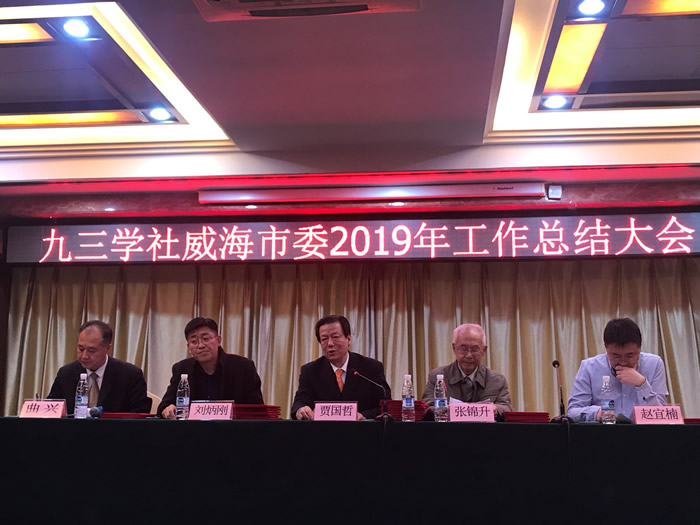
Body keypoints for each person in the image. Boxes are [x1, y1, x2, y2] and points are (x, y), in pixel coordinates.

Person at [158, 317, 263, 418]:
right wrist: (168, 408)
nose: (200, 345)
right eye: (194, 341)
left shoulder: (243, 367)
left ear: (218, 340)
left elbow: (257, 410)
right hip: (192, 429)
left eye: (205, 339)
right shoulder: (182, 369)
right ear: (189, 347)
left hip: (233, 428)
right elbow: (164, 405)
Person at [291, 314, 391, 420]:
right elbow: (299, 402)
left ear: (348, 339)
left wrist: (364, 415)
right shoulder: (310, 371)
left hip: (361, 429)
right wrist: (301, 409)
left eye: (335, 337)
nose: (330, 344)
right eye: (324, 339)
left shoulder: (371, 368)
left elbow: (386, 406)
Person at [568, 317, 668, 422]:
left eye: (630, 356)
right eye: (616, 356)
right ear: (606, 348)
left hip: (643, 431)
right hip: (604, 430)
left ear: (640, 348)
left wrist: (642, 384)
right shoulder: (589, 367)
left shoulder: (654, 364)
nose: (623, 362)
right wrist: (597, 413)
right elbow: (573, 412)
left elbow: (662, 415)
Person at [47, 320, 151, 414]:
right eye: (81, 349)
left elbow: (139, 414)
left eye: (91, 350)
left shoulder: (130, 375)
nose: (84, 356)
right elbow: (50, 410)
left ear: (107, 348)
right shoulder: (66, 374)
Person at [421, 323, 511, 420]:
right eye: (463, 349)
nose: (469, 355)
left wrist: (495, 409)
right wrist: (444, 409)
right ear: (454, 348)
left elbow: (507, 408)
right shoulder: (437, 377)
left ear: (484, 350)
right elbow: (425, 409)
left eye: (474, 349)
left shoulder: (497, 380)